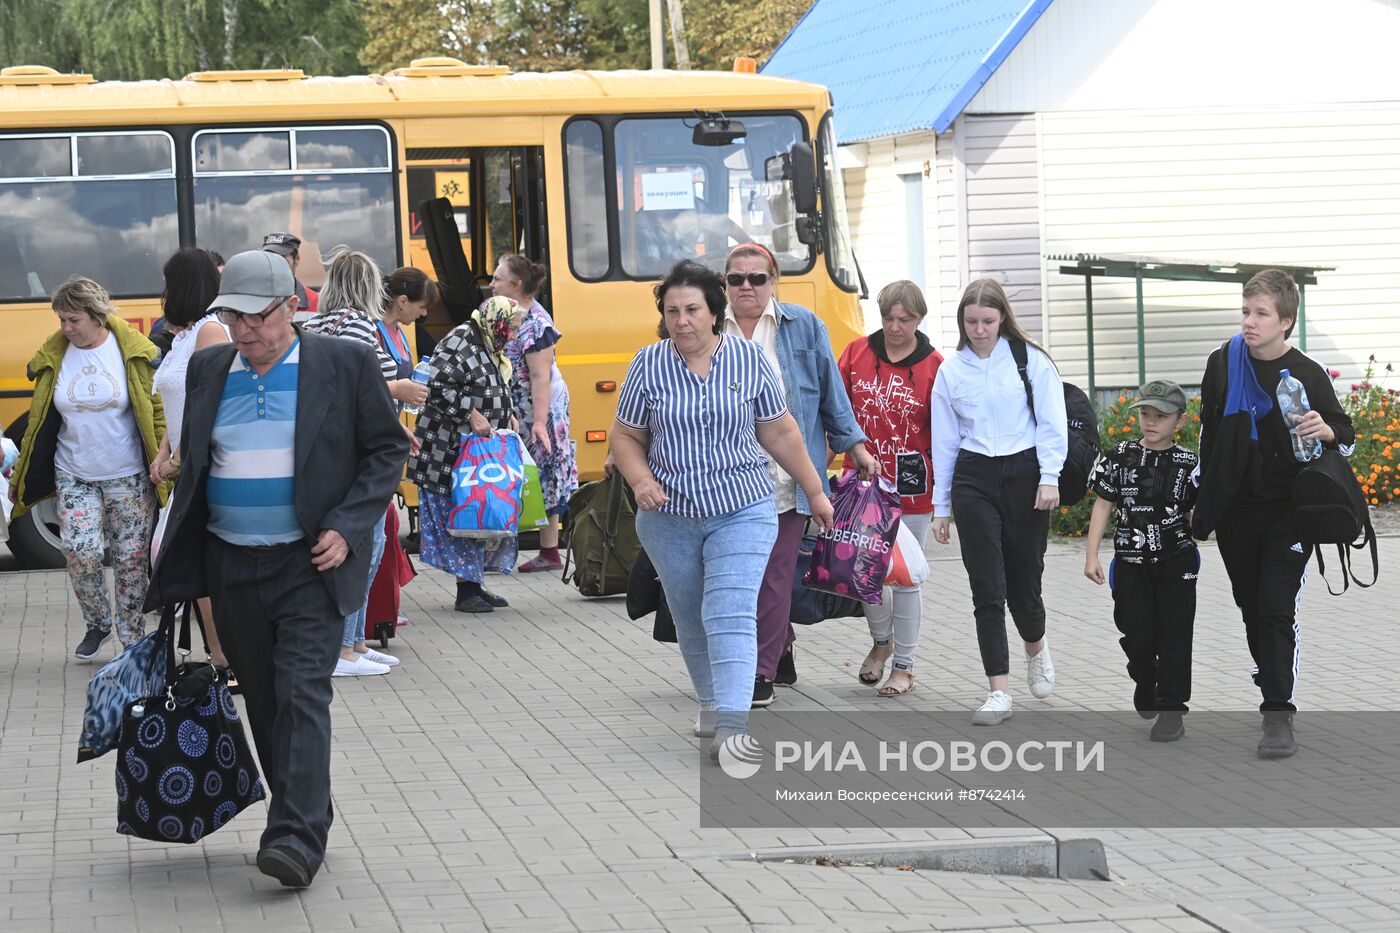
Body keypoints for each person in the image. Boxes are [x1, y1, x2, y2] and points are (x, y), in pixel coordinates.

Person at [144, 248, 407, 887]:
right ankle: (308, 805)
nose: (244, 331)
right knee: (262, 700)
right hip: (231, 564)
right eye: (231, 317)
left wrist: (346, 526)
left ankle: (292, 836)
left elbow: (385, 449)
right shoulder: (210, 368)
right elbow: (198, 456)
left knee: (300, 692)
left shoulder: (341, 364)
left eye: (257, 317)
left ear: (293, 307)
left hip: (309, 562)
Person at [611, 260, 835, 756]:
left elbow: (779, 430)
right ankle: (712, 701)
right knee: (691, 617)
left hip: (743, 508)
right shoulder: (647, 364)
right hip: (669, 517)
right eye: (672, 311)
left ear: (714, 311)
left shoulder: (749, 360)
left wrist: (815, 492)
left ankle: (734, 727)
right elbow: (625, 436)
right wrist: (641, 479)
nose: (682, 320)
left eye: (692, 309)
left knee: (730, 613)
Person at [1191, 270, 1354, 758]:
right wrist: (1202, 495)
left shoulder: (1307, 372)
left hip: (1290, 511)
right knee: (1250, 606)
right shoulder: (1223, 364)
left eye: (1261, 314)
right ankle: (1271, 673)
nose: (1249, 322)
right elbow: (1211, 436)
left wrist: (1325, 429)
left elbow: (1346, 436)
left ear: (1286, 321)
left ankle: (1277, 713)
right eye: (1245, 312)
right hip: (1237, 510)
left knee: (1274, 607)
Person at [722, 243, 876, 707]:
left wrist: (855, 445)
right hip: (724, 480)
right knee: (738, 578)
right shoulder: (709, 329)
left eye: (757, 278)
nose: (747, 286)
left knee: (774, 576)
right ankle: (779, 645)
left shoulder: (803, 327)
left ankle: (759, 673)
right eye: (736, 278)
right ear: (724, 283)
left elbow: (831, 392)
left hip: (787, 477)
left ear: (773, 282)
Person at [930, 278, 1066, 725]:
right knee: (987, 587)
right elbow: (945, 442)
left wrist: (1049, 477)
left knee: (1025, 587)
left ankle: (1036, 645)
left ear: (1002, 318)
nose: (979, 330)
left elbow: (1051, 422)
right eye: (971, 321)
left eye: (988, 321)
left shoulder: (1031, 361)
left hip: (1025, 472)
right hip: (974, 475)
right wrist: (941, 507)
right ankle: (998, 690)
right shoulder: (951, 371)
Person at [9, 277, 165, 661]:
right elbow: (39, 421)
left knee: (131, 560)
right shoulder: (54, 355)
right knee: (82, 550)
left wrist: (164, 458)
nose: (65, 328)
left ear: (96, 316)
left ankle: (131, 637)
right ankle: (96, 621)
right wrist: (23, 473)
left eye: (73, 320)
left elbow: (155, 411)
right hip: (74, 473)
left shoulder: (131, 351)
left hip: (128, 475)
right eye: (61, 319)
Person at [304, 250, 409, 675]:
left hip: (325, 450)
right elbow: (363, 387)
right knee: (367, 544)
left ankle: (357, 640)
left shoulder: (311, 323)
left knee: (370, 541)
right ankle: (345, 647)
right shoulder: (362, 326)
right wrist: (399, 390)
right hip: (355, 453)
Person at [837, 280, 944, 696]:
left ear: (919, 319)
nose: (895, 327)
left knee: (904, 576)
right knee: (866, 571)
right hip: (863, 480)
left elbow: (947, 432)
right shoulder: (856, 354)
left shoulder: (935, 366)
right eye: (888, 318)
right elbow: (837, 410)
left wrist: (946, 498)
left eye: (905, 319)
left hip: (913, 485)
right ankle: (882, 645)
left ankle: (905, 665)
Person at [1084, 380, 1199, 742]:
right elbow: (1103, 503)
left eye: (1161, 416)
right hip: (1130, 562)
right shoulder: (1120, 455)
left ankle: (1171, 710)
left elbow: (1198, 514)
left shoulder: (1189, 463)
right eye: (1145, 414)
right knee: (1137, 634)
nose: (1151, 422)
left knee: (1175, 636)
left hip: (1177, 560)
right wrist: (1092, 555)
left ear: (1179, 421)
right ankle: (1145, 676)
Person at [407, 295, 521, 613]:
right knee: (464, 518)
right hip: (448, 453)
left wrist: (506, 413)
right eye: (510, 328)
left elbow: (489, 384)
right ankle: (465, 591)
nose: (512, 335)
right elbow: (439, 385)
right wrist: (471, 414)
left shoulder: (486, 341)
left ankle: (475, 585)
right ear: (496, 321)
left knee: (477, 518)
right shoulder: (462, 338)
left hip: (474, 454)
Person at [148, 248, 231, 675]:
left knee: (199, 561)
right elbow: (177, 403)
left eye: (168, 283)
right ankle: (219, 654)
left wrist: (179, 458)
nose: (164, 293)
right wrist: (164, 452)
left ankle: (226, 656)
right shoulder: (183, 336)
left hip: (207, 465)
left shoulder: (211, 332)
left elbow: (208, 401)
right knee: (192, 562)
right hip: (186, 464)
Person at [492, 254, 579, 573]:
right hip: (519, 407)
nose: (491, 284)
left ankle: (549, 551)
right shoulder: (508, 315)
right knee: (516, 473)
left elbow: (541, 377)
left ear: (516, 285)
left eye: (498, 278)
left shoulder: (537, 324)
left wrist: (540, 423)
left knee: (545, 468)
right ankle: (506, 549)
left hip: (542, 407)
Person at [262, 232, 319, 318]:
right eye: (268, 259)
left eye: (281, 260)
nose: (274, 265)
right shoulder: (249, 298)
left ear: (297, 259)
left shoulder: (316, 303)